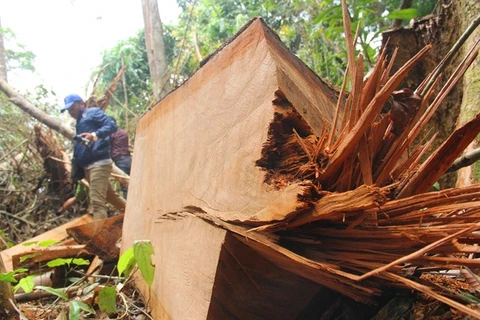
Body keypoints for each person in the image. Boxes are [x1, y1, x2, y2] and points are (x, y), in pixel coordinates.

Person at [61, 93, 126, 220]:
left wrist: (95, 135)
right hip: (89, 166)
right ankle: (135, 216)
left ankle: (99, 235)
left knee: (97, 202)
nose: (71, 112)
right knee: (111, 197)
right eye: (68, 110)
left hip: (99, 163)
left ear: (81, 104)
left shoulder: (92, 112)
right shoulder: (80, 122)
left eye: (72, 108)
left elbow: (112, 126)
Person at [110, 127, 132, 199]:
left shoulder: (112, 135)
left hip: (120, 161)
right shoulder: (124, 133)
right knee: (130, 182)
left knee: (125, 185)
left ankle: (128, 207)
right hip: (128, 159)